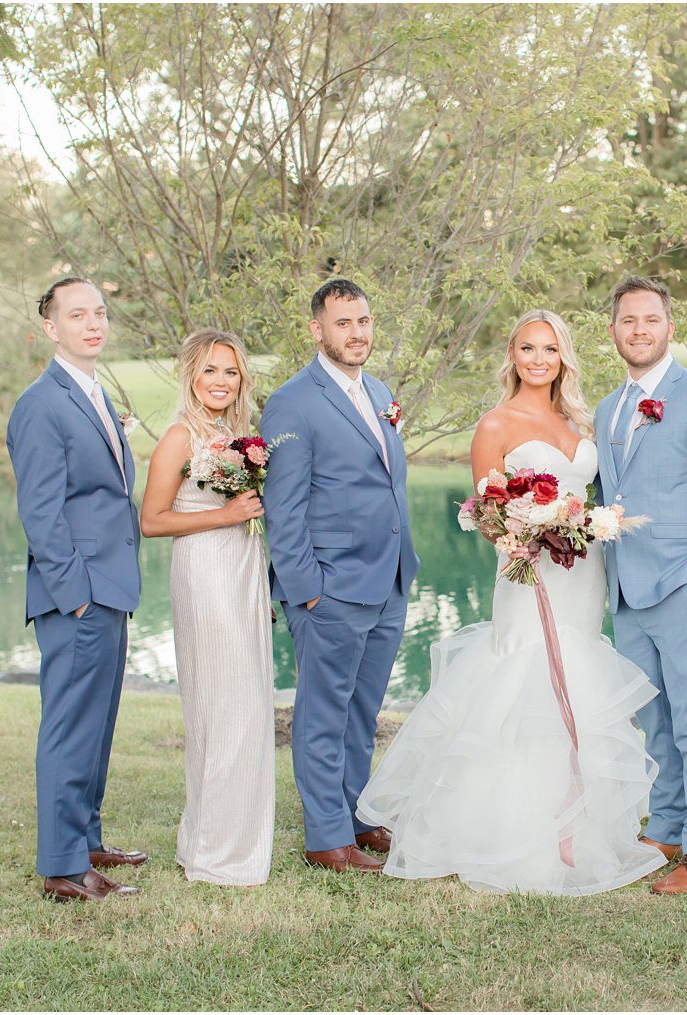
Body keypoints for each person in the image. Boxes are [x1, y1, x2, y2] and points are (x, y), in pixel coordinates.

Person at [356, 310, 668, 895]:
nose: (538, 359)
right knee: (525, 681)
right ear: (513, 356)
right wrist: (524, 532)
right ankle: (511, 834)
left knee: (578, 678)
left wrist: (584, 524)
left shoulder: (579, 420)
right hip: (529, 575)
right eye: (527, 348)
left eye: (549, 349)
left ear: (562, 358)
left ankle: (581, 830)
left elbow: (591, 492)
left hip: (582, 570)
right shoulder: (495, 423)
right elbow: (483, 514)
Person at [262, 278, 419, 874]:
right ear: (317, 330)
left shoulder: (378, 391)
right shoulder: (293, 401)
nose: (357, 333)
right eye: (344, 323)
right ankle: (326, 838)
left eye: (364, 321)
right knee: (323, 713)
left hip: (388, 580)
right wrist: (305, 592)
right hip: (329, 589)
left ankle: (354, 814)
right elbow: (286, 507)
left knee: (362, 711)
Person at [593, 276, 687, 895]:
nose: (639, 331)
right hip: (628, 588)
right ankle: (670, 827)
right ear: (614, 331)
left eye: (650, 320)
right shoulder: (609, 408)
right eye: (628, 321)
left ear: (669, 327)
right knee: (655, 722)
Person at [6, 276, 144, 902]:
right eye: (77, 314)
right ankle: (63, 868)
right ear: (50, 327)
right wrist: (76, 594)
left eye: (99, 313)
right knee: (69, 726)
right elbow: (41, 513)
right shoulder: (42, 402)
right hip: (77, 594)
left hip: (108, 587)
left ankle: (86, 836)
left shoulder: (91, 391)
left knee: (98, 721)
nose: (93, 323)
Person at [139, 330, 274, 886]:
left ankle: (219, 840)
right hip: (205, 572)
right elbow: (151, 521)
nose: (221, 382)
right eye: (210, 370)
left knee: (246, 703)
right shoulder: (179, 437)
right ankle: (217, 854)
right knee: (220, 705)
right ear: (190, 375)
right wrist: (226, 516)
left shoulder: (239, 436)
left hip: (243, 572)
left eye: (231, 372)